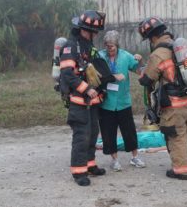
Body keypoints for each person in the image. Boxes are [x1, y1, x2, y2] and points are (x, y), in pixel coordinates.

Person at [138, 16, 187, 180]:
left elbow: (147, 80)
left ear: (152, 37)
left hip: (175, 104)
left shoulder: (158, 54)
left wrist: (142, 70)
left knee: (176, 135)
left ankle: (181, 170)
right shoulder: (180, 47)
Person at [59, 10, 107, 186]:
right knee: (81, 135)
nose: (95, 35)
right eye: (93, 31)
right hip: (79, 101)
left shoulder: (87, 46)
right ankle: (79, 172)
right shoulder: (71, 47)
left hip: (92, 101)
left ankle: (90, 164)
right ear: (83, 29)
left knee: (93, 132)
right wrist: (86, 89)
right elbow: (67, 74)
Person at [98, 30, 146, 172]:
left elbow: (140, 71)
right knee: (109, 132)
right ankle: (114, 160)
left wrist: (140, 61)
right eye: (107, 46)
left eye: (112, 46)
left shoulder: (126, 56)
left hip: (123, 101)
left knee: (129, 131)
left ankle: (135, 157)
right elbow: (96, 76)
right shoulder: (100, 57)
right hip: (106, 103)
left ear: (117, 45)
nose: (109, 49)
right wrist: (113, 76)